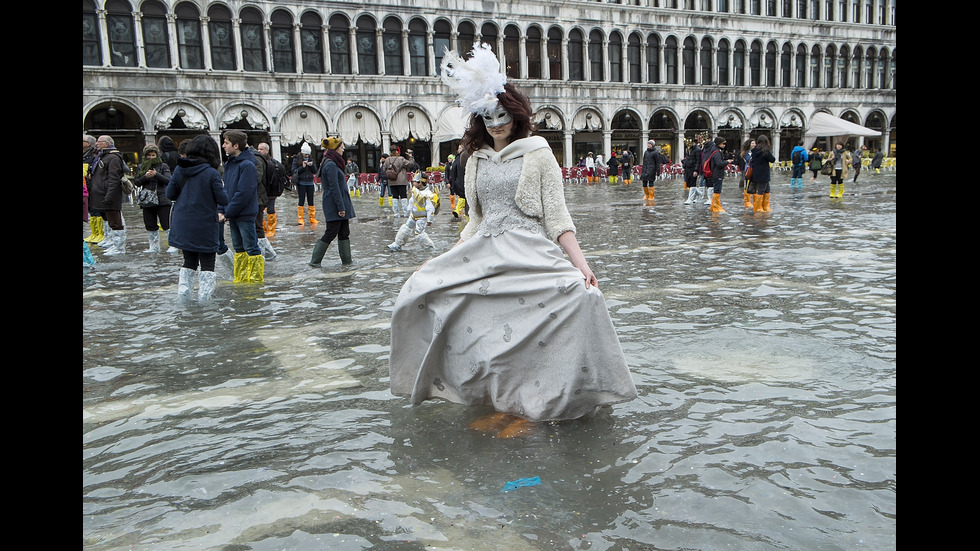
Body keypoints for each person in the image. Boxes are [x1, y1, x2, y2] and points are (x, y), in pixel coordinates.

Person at [389, 43, 637, 432]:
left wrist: (581, 264)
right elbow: (474, 220)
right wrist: (444, 261)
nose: (496, 124)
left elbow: (557, 216)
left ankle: (540, 404)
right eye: (488, 118)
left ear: (517, 115)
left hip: (529, 250)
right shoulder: (474, 159)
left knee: (580, 298)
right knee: (445, 305)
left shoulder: (539, 153)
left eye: (503, 116)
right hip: (485, 250)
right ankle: (502, 401)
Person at [165, 135, 229, 303]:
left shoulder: (179, 169)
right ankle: (205, 301)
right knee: (207, 264)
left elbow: (169, 194)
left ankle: (184, 297)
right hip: (205, 225)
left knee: (189, 261)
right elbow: (223, 200)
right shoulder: (211, 173)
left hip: (183, 224)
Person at [220, 130, 264, 282]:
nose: (223, 146)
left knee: (251, 247)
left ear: (236, 145)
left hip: (244, 214)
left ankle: (255, 281)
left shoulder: (247, 165)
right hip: (233, 214)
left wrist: (227, 212)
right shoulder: (230, 164)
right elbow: (224, 190)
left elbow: (243, 193)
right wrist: (222, 210)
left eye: (226, 143)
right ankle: (241, 279)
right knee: (238, 248)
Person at [309, 137, 355, 267]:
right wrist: (340, 207)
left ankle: (347, 261)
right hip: (335, 204)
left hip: (341, 202)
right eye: (341, 147)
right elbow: (334, 187)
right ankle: (315, 261)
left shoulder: (333, 162)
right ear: (335, 149)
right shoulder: (330, 164)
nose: (343, 149)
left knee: (344, 232)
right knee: (331, 232)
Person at [88, 135, 129, 256]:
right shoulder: (104, 156)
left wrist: (109, 195)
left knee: (115, 221)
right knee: (110, 220)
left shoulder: (113, 158)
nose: (96, 144)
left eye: (99, 142)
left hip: (110, 194)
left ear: (106, 144)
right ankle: (114, 244)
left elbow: (113, 179)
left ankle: (119, 247)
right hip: (102, 194)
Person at [132, 144, 173, 253]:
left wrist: (156, 175)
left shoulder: (163, 166)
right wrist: (145, 177)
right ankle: (154, 246)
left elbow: (168, 180)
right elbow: (136, 182)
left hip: (162, 199)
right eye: (148, 155)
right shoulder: (141, 167)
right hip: (147, 199)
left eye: (153, 155)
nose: (151, 157)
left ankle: (173, 244)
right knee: (150, 224)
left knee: (166, 223)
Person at [388, 172, 436, 251]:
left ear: (420, 182)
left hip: (422, 218)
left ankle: (429, 248)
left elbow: (430, 208)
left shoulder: (428, 194)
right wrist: (407, 212)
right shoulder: (415, 191)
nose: (413, 182)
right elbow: (411, 202)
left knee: (419, 233)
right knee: (406, 228)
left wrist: (430, 219)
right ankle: (397, 244)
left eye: (414, 181)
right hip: (413, 216)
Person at [256, 142, 283, 241]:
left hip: (271, 191)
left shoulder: (273, 163)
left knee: (270, 209)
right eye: (258, 149)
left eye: (261, 149)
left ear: (267, 150)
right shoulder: (257, 161)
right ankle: (263, 228)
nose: (259, 151)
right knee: (260, 210)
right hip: (262, 191)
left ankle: (271, 230)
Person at [83, 134, 106, 246]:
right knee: (90, 210)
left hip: (92, 186)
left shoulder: (92, 155)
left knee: (96, 209)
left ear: (88, 143)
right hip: (85, 186)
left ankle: (100, 233)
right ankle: (94, 232)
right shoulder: (85, 155)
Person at [383, 145, 416, 217]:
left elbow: (383, 169)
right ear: (397, 151)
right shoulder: (401, 159)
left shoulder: (387, 160)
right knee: (403, 196)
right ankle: (405, 212)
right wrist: (410, 156)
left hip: (391, 181)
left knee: (395, 196)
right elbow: (411, 164)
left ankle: (396, 213)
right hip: (401, 181)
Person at [292, 142, 318, 226]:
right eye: (305, 154)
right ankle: (301, 218)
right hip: (301, 182)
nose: (306, 156)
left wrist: (311, 165)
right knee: (301, 200)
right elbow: (294, 171)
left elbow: (315, 171)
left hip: (310, 182)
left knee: (311, 201)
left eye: (307, 154)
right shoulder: (296, 158)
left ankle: (312, 218)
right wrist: (302, 167)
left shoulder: (311, 158)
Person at [749, 135, 776, 212]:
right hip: (764, 173)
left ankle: (765, 206)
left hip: (756, 173)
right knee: (761, 190)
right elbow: (772, 159)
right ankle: (758, 207)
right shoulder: (765, 151)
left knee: (767, 189)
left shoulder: (754, 151)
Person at [704, 136, 731, 213]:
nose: (724, 145)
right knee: (717, 190)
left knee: (716, 190)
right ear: (719, 144)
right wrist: (727, 162)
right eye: (723, 144)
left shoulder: (715, 151)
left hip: (716, 174)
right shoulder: (717, 153)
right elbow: (719, 164)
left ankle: (714, 206)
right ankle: (716, 207)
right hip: (717, 174)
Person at [640, 139, 662, 204]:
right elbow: (644, 161)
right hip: (645, 169)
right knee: (644, 183)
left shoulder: (655, 153)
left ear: (652, 145)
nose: (648, 145)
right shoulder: (646, 152)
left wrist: (658, 171)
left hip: (652, 170)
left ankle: (651, 196)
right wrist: (643, 169)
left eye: (650, 144)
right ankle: (646, 194)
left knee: (651, 183)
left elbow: (657, 162)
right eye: (648, 144)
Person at [737, 138, 755, 208]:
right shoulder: (746, 153)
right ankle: (747, 201)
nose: (754, 144)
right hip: (748, 169)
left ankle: (754, 200)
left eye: (754, 143)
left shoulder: (754, 151)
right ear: (749, 144)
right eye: (752, 143)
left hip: (755, 170)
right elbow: (749, 160)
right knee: (747, 185)